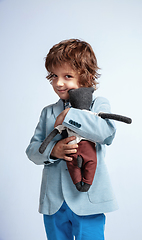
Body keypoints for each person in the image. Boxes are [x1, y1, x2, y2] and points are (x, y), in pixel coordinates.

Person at [26, 39, 118, 240]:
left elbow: (107, 133)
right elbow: (32, 150)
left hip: (88, 201)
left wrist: (69, 116)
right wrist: (53, 151)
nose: (58, 83)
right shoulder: (48, 112)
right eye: (54, 76)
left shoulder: (98, 104)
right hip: (54, 203)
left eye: (67, 76)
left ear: (87, 77)